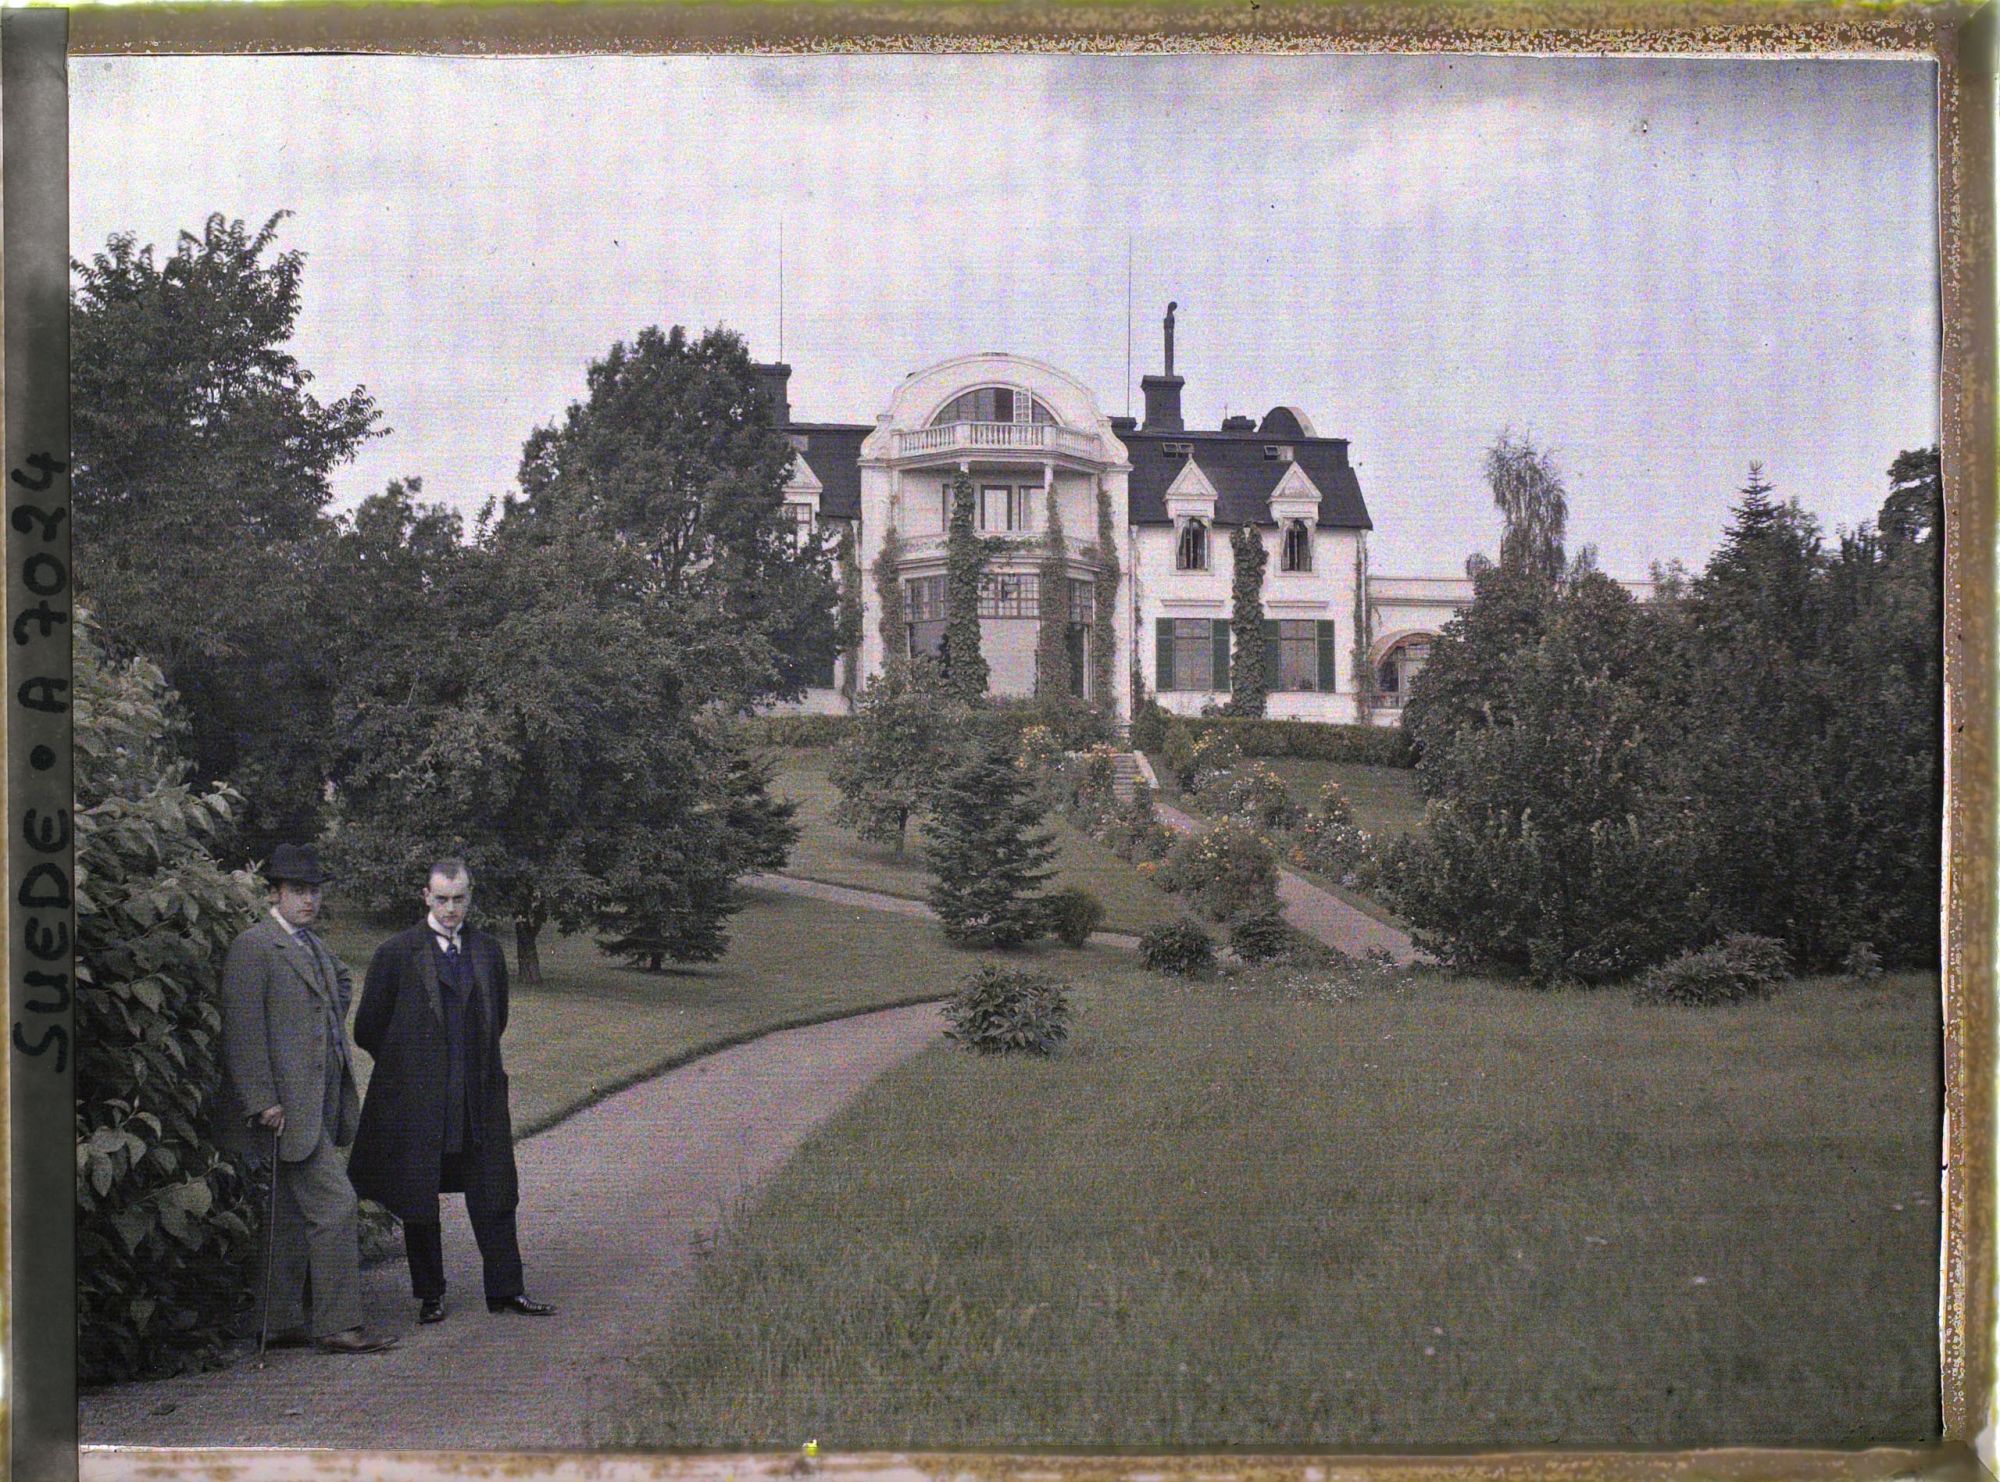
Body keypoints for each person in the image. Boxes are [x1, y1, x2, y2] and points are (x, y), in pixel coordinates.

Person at [347, 858, 556, 1324]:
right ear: (426, 896)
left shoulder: (487, 952)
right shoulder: (396, 953)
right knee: (419, 1194)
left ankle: (506, 1289)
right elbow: (368, 1028)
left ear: (470, 896)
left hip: (477, 1096)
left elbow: (496, 1019)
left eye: (459, 899)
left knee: (496, 1189)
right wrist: (413, 1068)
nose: (450, 909)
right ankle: (431, 1295)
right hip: (420, 1102)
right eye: (441, 899)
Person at [218, 844, 398, 1355]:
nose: (309, 901)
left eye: (314, 892)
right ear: (274, 893)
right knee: (337, 1205)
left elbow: (340, 980)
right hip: (282, 1110)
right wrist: (262, 1099)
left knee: (291, 1216)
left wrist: (323, 1021)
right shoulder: (254, 947)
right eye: (298, 891)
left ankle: (276, 1321)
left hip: (315, 1104)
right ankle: (338, 1325)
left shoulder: (311, 946)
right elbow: (242, 1031)